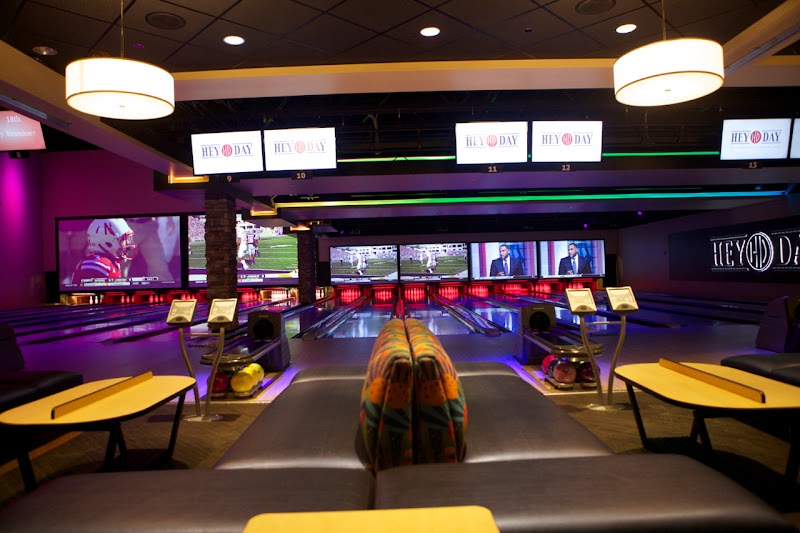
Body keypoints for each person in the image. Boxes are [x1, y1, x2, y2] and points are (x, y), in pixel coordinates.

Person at [71, 218, 136, 283]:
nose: (127, 243)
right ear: (108, 243)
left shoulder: (105, 261)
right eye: (123, 239)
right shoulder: (97, 265)